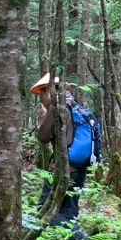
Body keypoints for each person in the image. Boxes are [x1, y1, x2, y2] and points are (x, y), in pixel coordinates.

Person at [33, 73, 102, 226]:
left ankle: (76, 238)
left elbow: (43, 136)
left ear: (48, 89)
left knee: (45, 208)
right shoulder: (74, 104)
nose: (41, 98)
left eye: (42, 93)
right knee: (69, 210)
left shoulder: (57, 106)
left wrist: (44, 117)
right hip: (80, 168)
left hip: (62, 167)